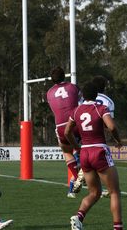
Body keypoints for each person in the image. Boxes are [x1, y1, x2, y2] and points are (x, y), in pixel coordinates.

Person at [65, 82, 123, 230]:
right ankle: (118, 227)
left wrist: (77, 147)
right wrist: (118, 140)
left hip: (85, 153)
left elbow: (66, 132)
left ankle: (78, 218)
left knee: (94, 193)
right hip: (99, 151)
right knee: (114, 192)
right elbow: (112, 127)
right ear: (96, 95)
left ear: (83, 95)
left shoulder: (76, 111)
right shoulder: (101, 108)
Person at [47, 66, 83, 198]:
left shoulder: (49, 93)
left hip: (61, 126)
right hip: (75, 122)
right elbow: (80, 101)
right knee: (85, 149)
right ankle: (83, 172)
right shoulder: (73, 87)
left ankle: (76, 177)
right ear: (64, 76)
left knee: (67, 152)